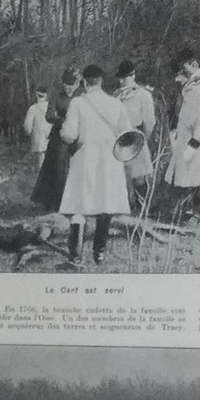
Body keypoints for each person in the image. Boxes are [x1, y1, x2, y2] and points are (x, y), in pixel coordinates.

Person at [59, 64, 132, 265]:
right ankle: (99, 253)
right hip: (110, 159)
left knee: (78, 205)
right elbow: (127, 134)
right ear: (101, 81)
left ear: (84, 81)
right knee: (105, 205)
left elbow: (69, 135)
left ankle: (75, 256)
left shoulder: (77, 103)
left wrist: (62, 133)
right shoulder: (116, 104)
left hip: (85, 157)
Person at [164, 48, 200, 201]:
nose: (181, 71)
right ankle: (189, 211)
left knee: (198, 175)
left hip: (197, 139)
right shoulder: (191, 85)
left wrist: (194, 143)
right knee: (188, 175)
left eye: (184, 67)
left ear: (193, 64)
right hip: (187, 136)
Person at [31, 67, 81, 212]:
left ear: (78, 83)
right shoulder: (57, 97)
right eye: (65, 83)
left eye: (71, 83)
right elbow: (49, 115)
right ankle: (55, 202)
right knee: (58, 169)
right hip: (59, 136)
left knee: (77, 167)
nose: (67, 87)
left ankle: (75, 202)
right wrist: (64, 120)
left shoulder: (81, 97)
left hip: (77, 135)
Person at [115, 59, 155, 203]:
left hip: (136, 136)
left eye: (125, 78)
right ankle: (128, 205)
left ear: (133, 76)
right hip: (120, 139)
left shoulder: (143, 94)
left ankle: (142, 206)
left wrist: (144, 137)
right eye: (121, 78)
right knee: (123, 174)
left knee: (139, 175)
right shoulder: (117, 96)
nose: (122, 82)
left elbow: (149, 120)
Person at [23, 86, 51, 172]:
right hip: (50, 137)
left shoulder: (33, 108)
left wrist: (29, 133)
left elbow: (27, 126)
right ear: (46, 95)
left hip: (38, 138)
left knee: (40, 162)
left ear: (36, 95)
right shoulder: (51, 107)